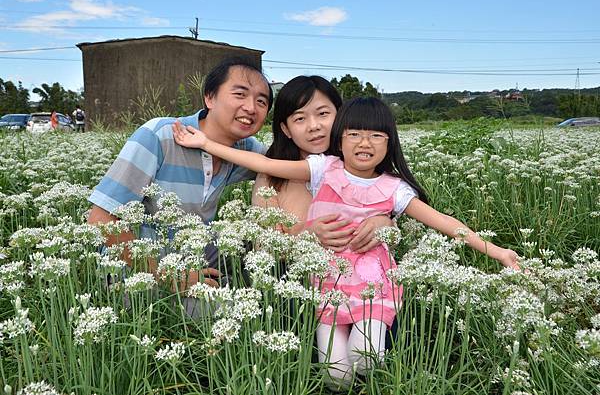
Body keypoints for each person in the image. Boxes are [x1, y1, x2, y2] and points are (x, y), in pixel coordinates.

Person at [172, 96, 520, 386]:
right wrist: (206, 143)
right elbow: (263, 162)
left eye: (376, 136)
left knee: (366, 358)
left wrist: (498, 252)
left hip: (373, 287)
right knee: (335, 376)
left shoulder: (395, 190)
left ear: (390, 143)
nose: (365, 143)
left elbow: (445, 223)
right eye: (354, 134)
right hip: (327, 284)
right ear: (340, 140)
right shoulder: (324, 169)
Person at [87, 57, 273, 292]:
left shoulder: (244, 148)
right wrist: (168, 275)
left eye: (261, 101)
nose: (251, 108)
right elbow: (100, 220)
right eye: (240, 94)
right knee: (207, 315)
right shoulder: (159, 135)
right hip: (136, 267)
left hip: (197, 253)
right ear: (210, 97)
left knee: (257, 248)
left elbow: (284, 166)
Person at [252, 75, 391, 253]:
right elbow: (263, 247)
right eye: (300, 118)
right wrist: (308, 236)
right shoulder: (270, 179)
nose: (314, 126)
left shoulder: (363, 166)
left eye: (323, 114)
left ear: (341, 115)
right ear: (286, 129)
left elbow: (390, 225)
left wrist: (385, 224)